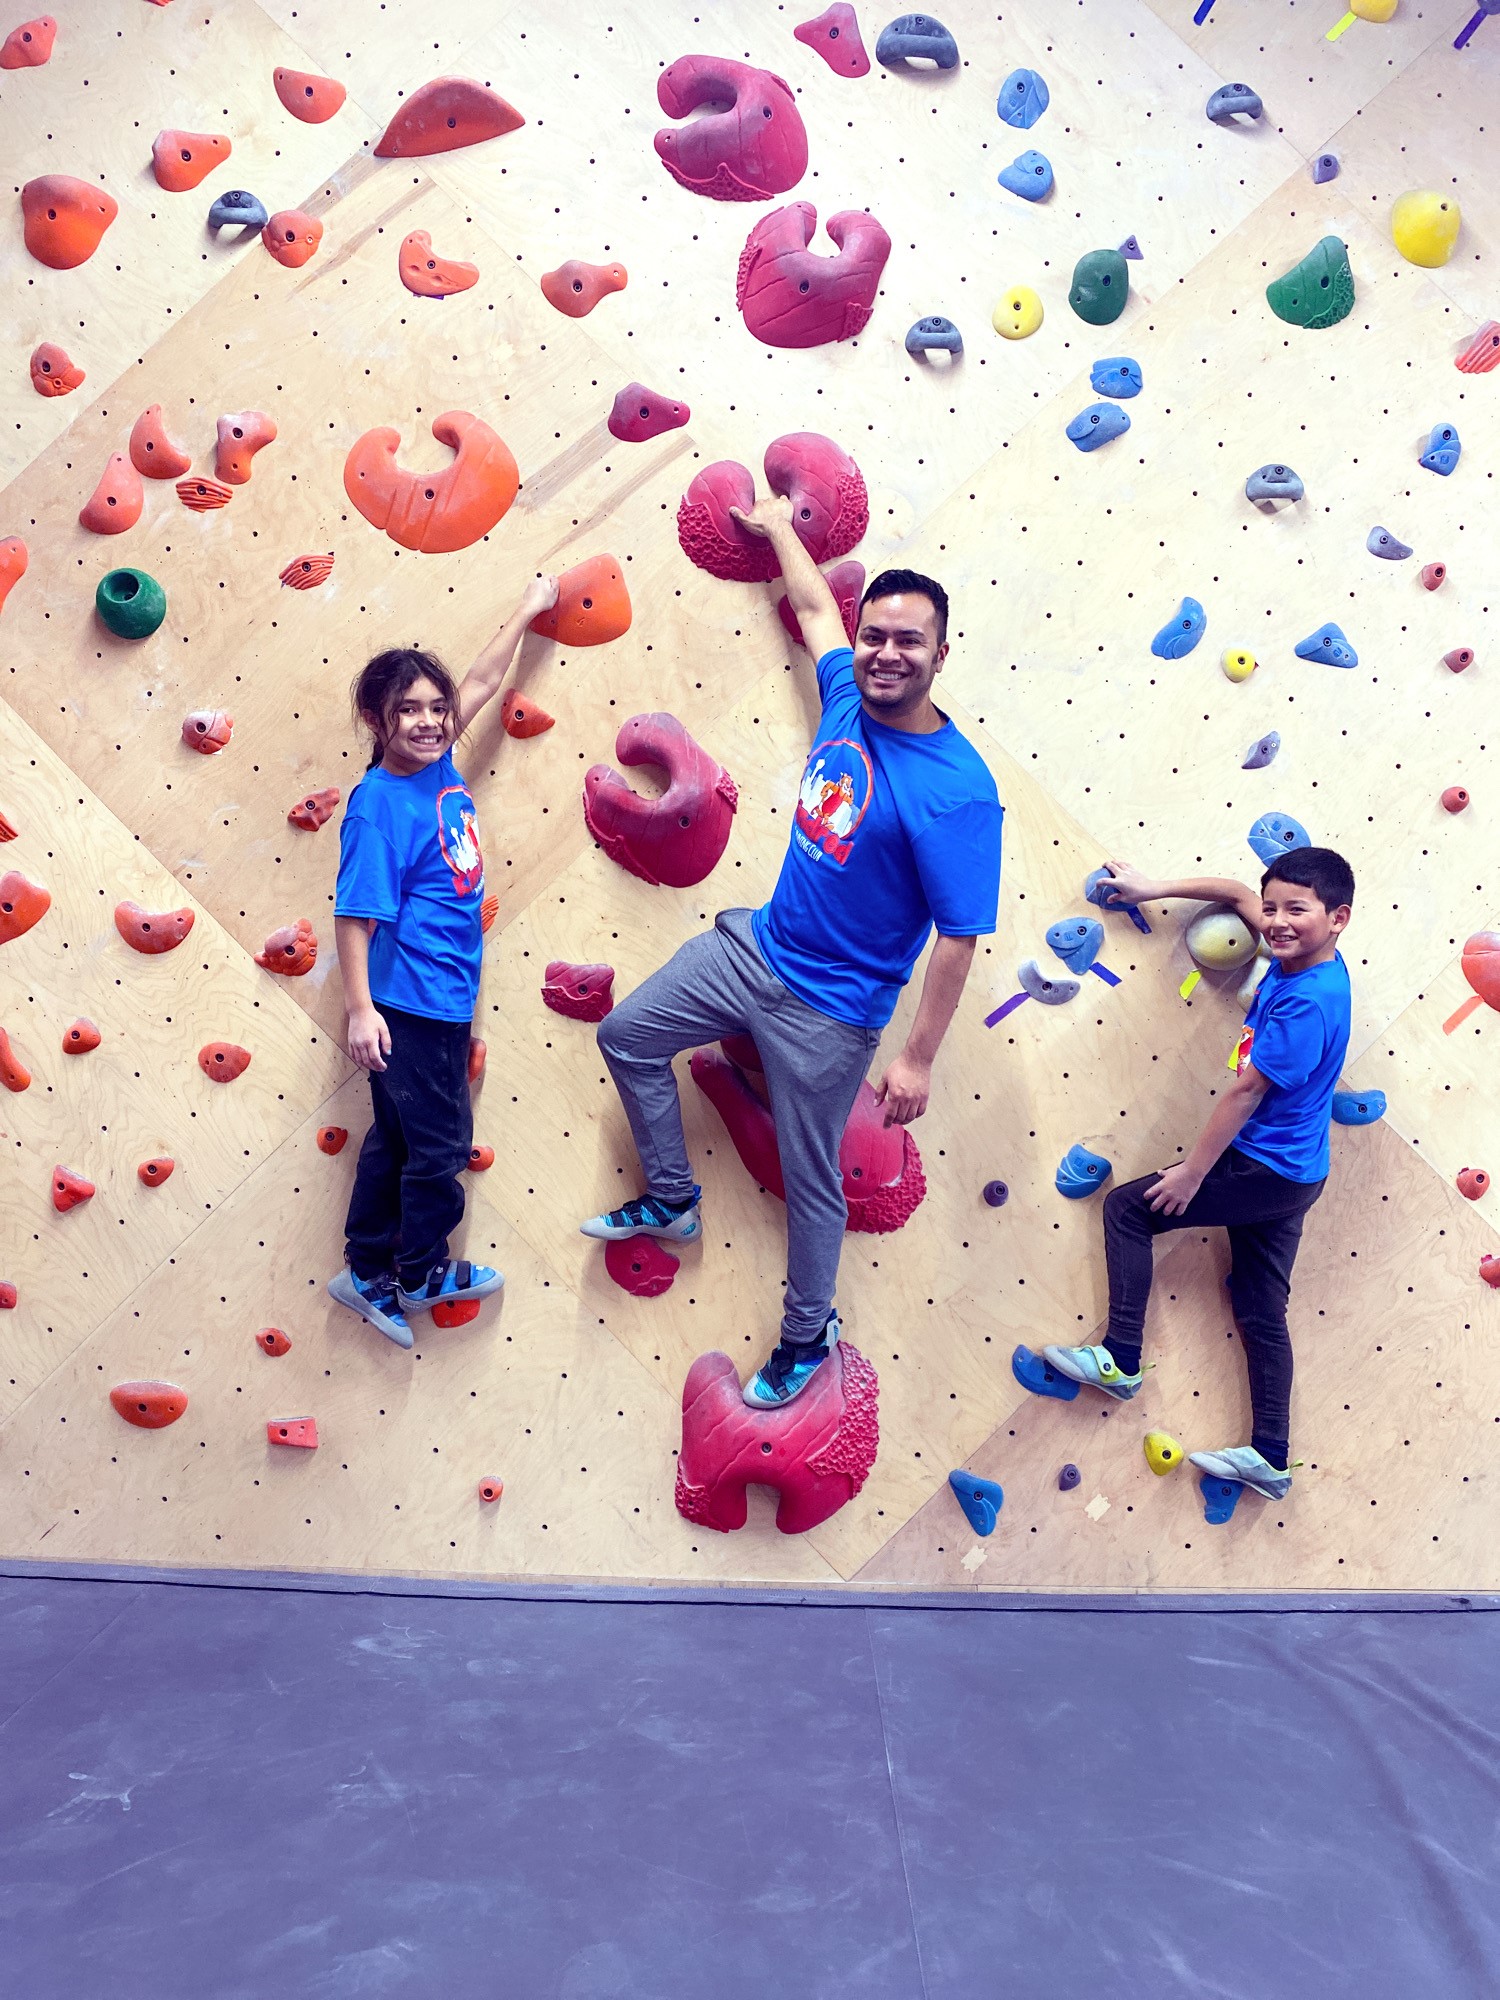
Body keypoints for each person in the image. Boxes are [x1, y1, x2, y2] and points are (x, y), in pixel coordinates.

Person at [581, 492, 1003, 1408]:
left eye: (910, 641)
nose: (887, 652)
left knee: (814, 1184)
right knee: (626, 1036)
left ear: (942, 654)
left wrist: (918, 1058)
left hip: (831, 1012)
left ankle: (808, 1335)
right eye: (878, 635)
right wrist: (776, 528)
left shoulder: (959, 792)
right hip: (755, 950)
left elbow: (961, 940)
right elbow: (816, 610)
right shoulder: (849, 689)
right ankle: (672, 1198)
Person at [1042, 846, 1355, 1500]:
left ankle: (1120, 1360)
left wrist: (1190, 1173)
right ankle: (1271, 1458)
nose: (1275, 921)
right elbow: (1238, 890)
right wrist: (1151, 886)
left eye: (1297, 910)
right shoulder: (1305, 958)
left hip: (1267, 1168)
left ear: (1338, 918)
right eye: (1274, 908)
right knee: (1261, 1306)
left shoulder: (1308, 1004)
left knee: (1128, 1210)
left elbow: (1246, 1094)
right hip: (1298, 1170)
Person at [328, 574, 559, 1349]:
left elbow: (485, 680)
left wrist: (526, 607)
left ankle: (365, 1270)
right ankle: (420, 1271)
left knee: (396, 1143)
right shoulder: (378, 804)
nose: (429, 722)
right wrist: (362, 1010)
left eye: (436, 708)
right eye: (408, 710)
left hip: (441, 999)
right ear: (376, 719)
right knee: (441, 1149)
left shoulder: (435, 768)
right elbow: (354, 918)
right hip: (408, 1005)